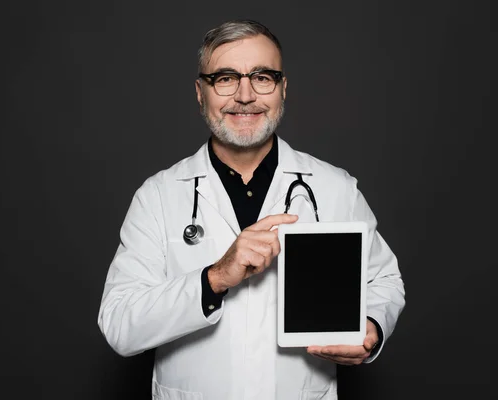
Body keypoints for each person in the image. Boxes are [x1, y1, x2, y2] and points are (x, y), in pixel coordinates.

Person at [98, 19, 405, 400]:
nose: (245, 95)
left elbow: (384, 282)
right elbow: (119, 325)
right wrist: (215, 278)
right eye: (225, 78)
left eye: (262, 77)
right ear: (200, 92)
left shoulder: (334, 187)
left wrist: (372, 327)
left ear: (283, 88)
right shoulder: (158, 197)